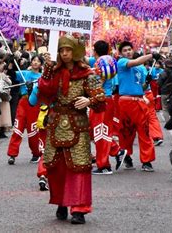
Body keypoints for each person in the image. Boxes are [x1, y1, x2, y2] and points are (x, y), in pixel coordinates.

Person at [38, 35, 105, 225]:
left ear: (75, 51)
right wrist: (48, 69)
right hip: (56, 122)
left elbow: (101, 100)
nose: (64, 53)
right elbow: (45, 92)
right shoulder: (54, 71)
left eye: (67, 49)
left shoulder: (88, 74)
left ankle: (79, 208)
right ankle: (61, 201)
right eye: (61, 50)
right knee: (56, 167)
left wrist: (89, 101)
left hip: (78, 124)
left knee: (79, 166)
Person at [116, 41, 155, 172]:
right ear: (121, 53)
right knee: (126, 132)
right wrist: (151, 55)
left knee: (144, 131)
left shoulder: (141, 69)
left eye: (129, 50)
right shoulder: (121, 63)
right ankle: (126, 155)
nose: (128, 52)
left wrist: (148, 82)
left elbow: (142, 87)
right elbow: (135, 62)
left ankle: (147, 161)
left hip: (139, 102)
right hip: (126, 102)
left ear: (133, 50)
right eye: (125, 50)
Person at [88, 40, 123, 175]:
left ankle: (104, 165)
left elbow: (97, 82)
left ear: (94, 51)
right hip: (105, 99)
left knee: (100, 132)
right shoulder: (110, 61)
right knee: (93, 130)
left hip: (101, 100)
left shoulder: (100, 64)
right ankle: (116, 151)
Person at [7, 55, 43, 165]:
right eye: (34, 60)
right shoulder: (24, 74)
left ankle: (36, 153)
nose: (35, 62)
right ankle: (12, 154)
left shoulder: (42, 77)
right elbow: (12, 74)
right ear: (31, 62)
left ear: (41, 64)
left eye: (38, 61)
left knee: (33, 131)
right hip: (23, 102)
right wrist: (12, 61)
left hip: (34, 104)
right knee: (18, 128)